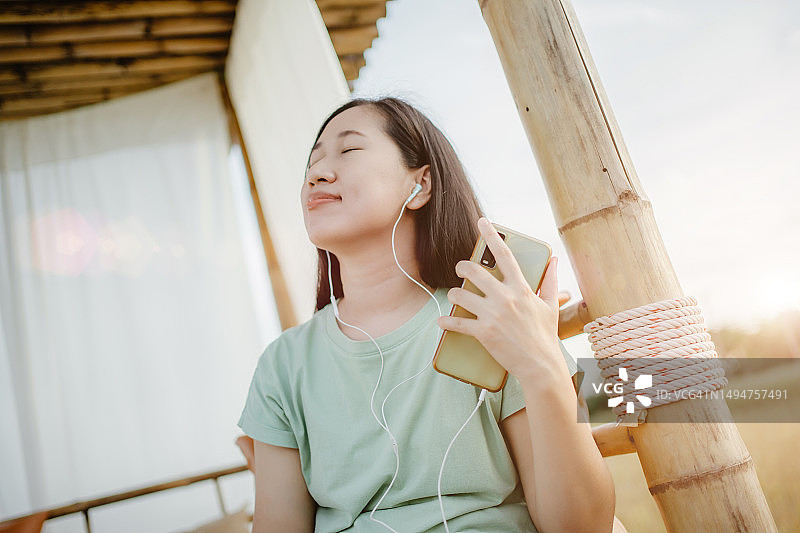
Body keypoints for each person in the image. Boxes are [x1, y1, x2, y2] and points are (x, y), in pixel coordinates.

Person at [238, 96, 616, 532]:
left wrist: (542, 364)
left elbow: (583, 527)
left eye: (349, 149)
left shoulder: (492, 318)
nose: (316, 173)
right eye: (313, 161)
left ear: (420, 186)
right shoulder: (283, 366)